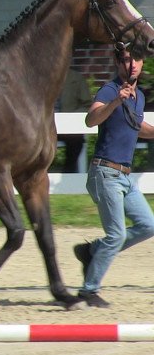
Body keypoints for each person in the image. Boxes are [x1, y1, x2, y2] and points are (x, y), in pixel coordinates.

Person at [73, 48, 154, 308]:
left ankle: (92, 251)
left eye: (136, 60)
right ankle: (88, 291)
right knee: (117, 235)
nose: (132, 65)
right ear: (118, 63)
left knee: (149, 225)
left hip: (125, 177)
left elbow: (135, 125)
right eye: (126, 60)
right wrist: (116, 101)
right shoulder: (110, 90)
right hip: (105, 172)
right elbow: (90, 119)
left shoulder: (138, 96)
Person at [56, 67, 92, 172]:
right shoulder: (41, 77)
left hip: (68, 127)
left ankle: (68, 174)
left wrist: (71, 117)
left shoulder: (76, 78)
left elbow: (87, 104)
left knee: (76, 142)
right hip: (45, 127)